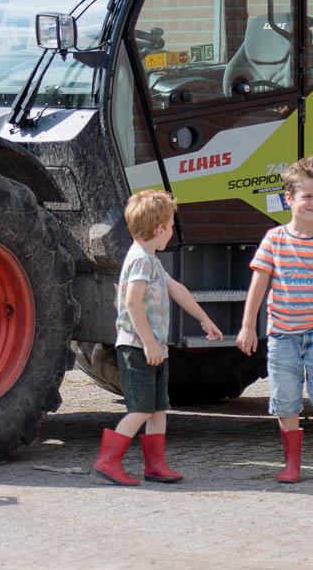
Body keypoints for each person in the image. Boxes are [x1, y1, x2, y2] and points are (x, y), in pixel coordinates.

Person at [94, 189, 224, 485]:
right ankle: (108, 461)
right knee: (142, 408)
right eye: (171, 226)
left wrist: (204, 319)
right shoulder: (140, 260)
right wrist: (149, 343)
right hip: (138, 348)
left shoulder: (151, 260)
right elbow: (132, 302)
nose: (173, 231)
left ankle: (156, 465)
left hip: (154, 349)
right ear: (159, 229)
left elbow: (175, 288)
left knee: (158, 409)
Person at [235, 157, 313, 481]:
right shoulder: (274, 240)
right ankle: (292, 462)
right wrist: (248, 326)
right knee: (285, 400)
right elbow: (258, 285)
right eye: (307, 196)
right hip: (282, 338)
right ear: (289, 199)